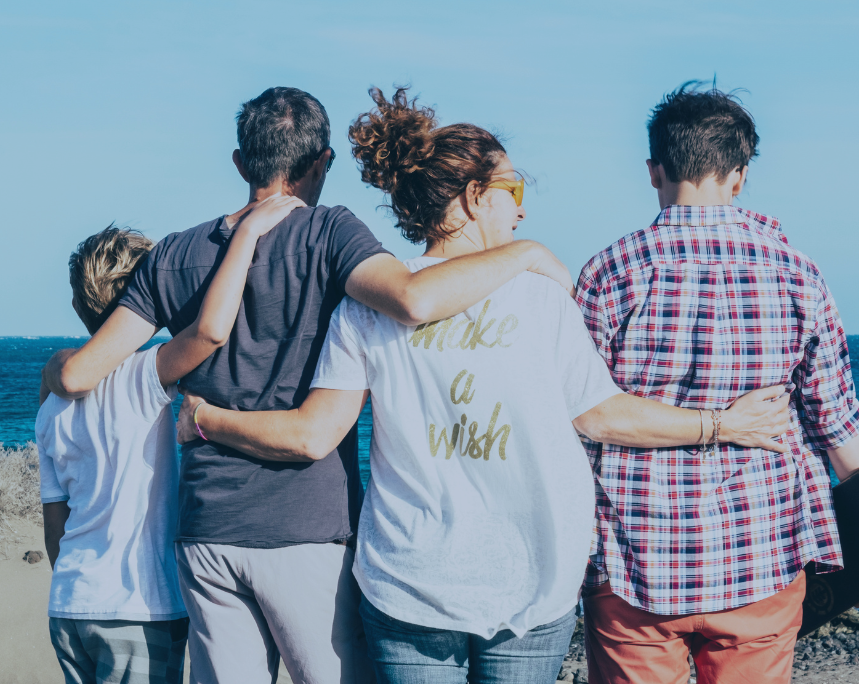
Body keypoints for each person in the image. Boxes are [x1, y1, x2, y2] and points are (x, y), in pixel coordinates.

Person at [172, 86, 792, 684]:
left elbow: (314, 434)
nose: (521, 207)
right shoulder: (539, 292)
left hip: (407, 581)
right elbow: (601, 416)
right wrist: (721, 425)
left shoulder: (363, 308)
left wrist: (206, 417)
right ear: (474, 197)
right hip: (532, 577)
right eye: (512, 188)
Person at [41, 87, 577, 684]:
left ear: (242, 163)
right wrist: (525, 254)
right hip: (306, 527)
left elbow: (80, 374)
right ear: (321, 161)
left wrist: (59, 369)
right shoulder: (330, 234)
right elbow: (410, 298)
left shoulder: (173, 253)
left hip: (206, 530)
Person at [575, 83, 859, 684]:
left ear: (655, 170)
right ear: (740, 174)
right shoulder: (798, 274)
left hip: (633, 562)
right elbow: (836, 428)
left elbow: (577, 417)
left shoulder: (608, 273)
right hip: (762, 555)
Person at [36, 195, 302, 684]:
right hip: (137, 603)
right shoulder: (144, 377)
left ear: (77, 305)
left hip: (69, 604)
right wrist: (246, 236)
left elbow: (55, 528)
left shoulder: (49, 405)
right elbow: (207, 332)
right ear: (147, 298)